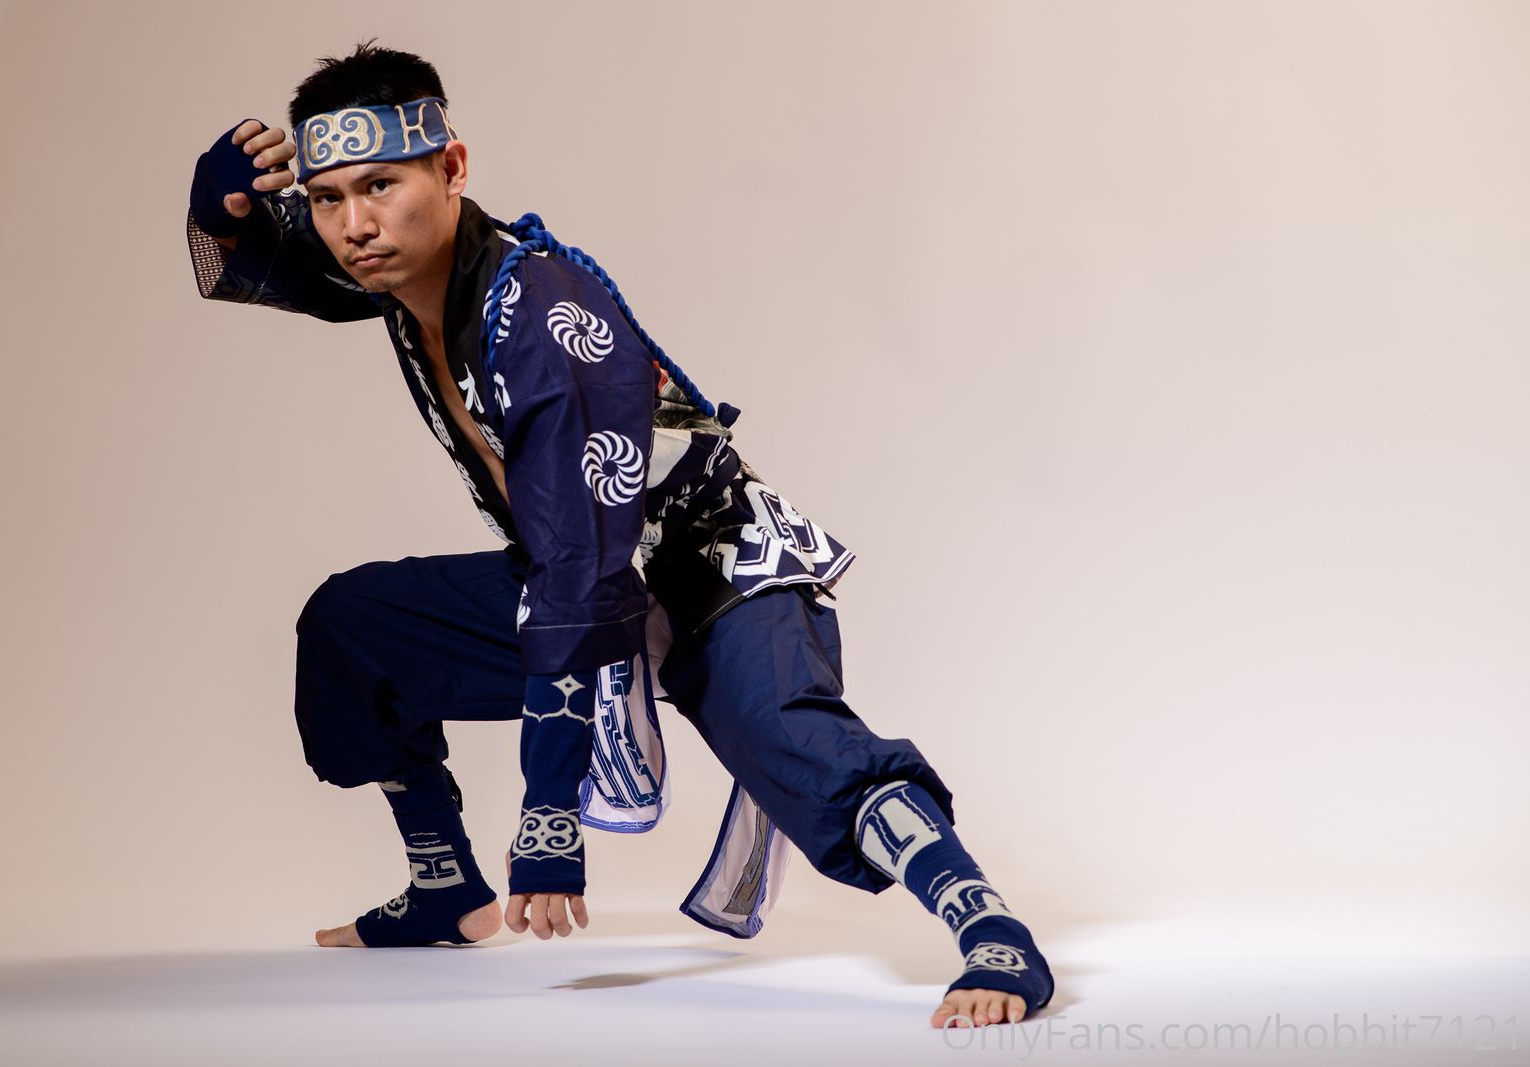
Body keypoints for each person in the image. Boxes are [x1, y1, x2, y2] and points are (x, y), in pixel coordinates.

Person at [185, 40, 1055, 1029]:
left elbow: (578, 572)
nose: (354, 224)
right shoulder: (397, 267)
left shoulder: (543, 314)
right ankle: (442, 883)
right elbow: (256, 262)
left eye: (380, 185)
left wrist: (548, 808)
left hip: (715, 576)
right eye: (328, 197)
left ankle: (993, 931)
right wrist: (224, 206)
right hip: (579, 573)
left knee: (801, 747)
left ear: (453, 168)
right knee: (352, 626)